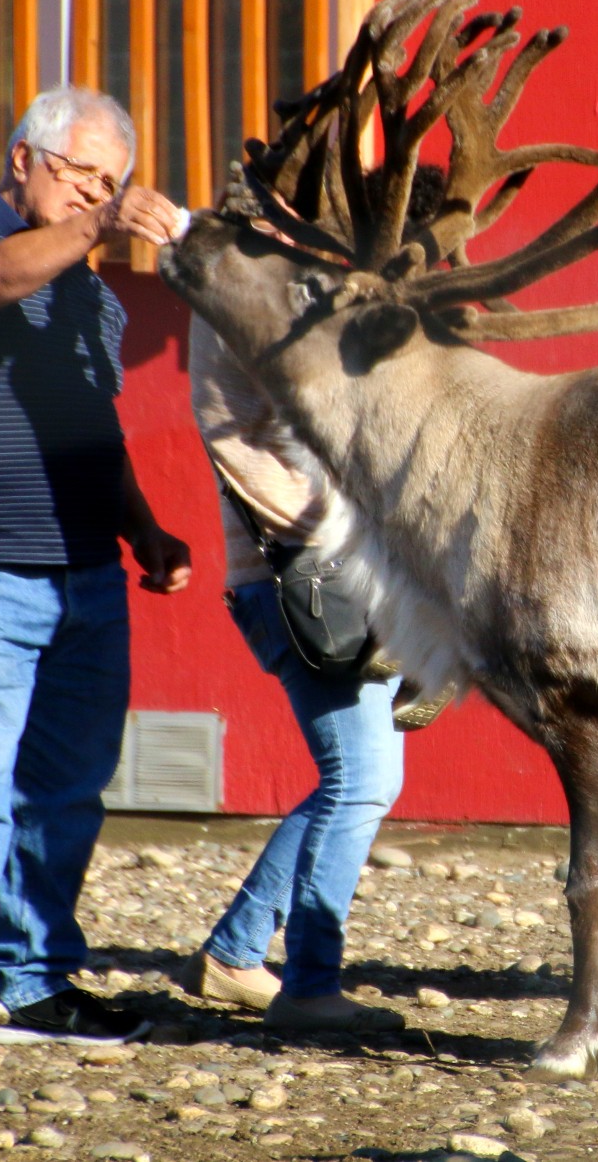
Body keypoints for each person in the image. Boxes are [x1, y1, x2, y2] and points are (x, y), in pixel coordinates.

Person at [0, 86, 192, 1048]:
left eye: (112, 182)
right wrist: (99, 223)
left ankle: (33, 977)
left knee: (67, 786)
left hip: (86, 574)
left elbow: (92, 430)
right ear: (24, 159)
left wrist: (145, 530)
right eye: (80, 173)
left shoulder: (91, 297)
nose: (95, 193)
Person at [175, 311, 408, 1032]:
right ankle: (308, 985)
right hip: (310, 580)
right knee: (361, 780)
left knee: (360, 780)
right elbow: (237, 440)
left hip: (342, 572)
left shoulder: (301, 285)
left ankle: (235, 953)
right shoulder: (236, 301)